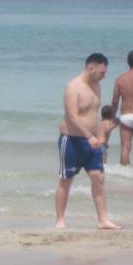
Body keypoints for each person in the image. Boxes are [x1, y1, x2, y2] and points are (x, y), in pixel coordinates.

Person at [55, 53, 120, 230]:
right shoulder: (73, 87)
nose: (104, 76)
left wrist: (100, 136)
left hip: (92, 142)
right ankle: (60, 220)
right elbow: (72, 116)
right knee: (66, 180)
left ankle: (103, 220)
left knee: (98, 178)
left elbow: (95, 115)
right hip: (72, 140)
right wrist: (88, 136)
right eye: (101, 72)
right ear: (91, 68)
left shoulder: (96, 86)